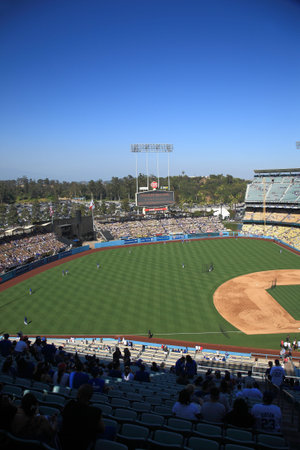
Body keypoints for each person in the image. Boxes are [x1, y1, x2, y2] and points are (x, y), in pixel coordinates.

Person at [60, 384, 105, 450]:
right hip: (82, 446)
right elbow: (102, 429)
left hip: (63, 444)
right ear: (90, 397)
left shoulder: (69, 405)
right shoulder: (96, 412)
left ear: (78, 394)